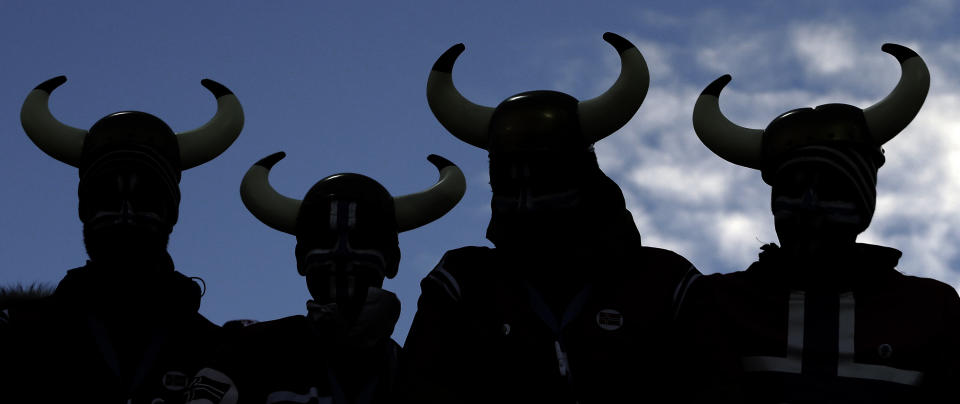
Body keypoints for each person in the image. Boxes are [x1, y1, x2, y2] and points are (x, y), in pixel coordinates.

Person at [401, 32, 700, 404]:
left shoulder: (665, 281)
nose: (528, 205)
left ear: (588, 181)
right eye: (510, 184)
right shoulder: (464, 281)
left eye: (549, 180)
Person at [681, 43, 959, 402]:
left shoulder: (928, 309)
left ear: (864, 207)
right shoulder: (720, 302)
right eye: (793, 190)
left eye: (832, 190)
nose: (809, 206)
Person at [2, 76, 244, 403]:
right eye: (107, 199)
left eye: (145, 201)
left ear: (171, 214)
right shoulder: (19, 338)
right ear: (84, 211)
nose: (126, 216)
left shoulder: (223, 352)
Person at [185, 152, 465, 404]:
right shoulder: (248, 353)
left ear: (393, 261)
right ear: (299, 259)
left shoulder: (413, 376)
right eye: (323, 239)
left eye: (361, 238)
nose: (342, 253)